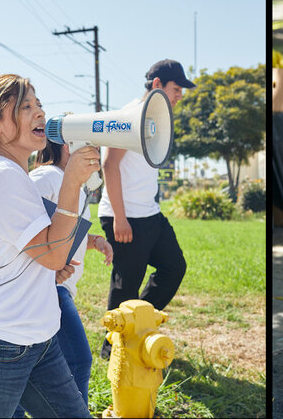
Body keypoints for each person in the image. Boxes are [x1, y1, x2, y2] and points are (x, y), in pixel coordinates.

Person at [0, 73, 99, 417]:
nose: (39, 113)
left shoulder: (13, 174)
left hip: (36, 339)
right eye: (24, 106)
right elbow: (53, 253)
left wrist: (49, 263)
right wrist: (72, 184)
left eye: (39, 104)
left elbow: (42, 250)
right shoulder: (1, 175)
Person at [98, 58, 191, 358]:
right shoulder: (129, 116)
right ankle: (112, 348)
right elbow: (109, 165)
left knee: (174, 267)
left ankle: (137, 325)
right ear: (157, 85)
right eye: (176, 89)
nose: (180, 96)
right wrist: (119, 218)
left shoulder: (156, 118)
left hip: (149, 213)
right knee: (126, 283)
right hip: (123, 216)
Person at [28, 139, 116, 408]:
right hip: (50, 288)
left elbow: (62, 231)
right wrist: (49, 268)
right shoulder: (46, 177)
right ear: (69, 146)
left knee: (28, 368)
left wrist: (92, 241)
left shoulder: (72, 183)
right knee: (78, 359)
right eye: (93, 148)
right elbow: (27, 228)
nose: (98, 155)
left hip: (58, 287)